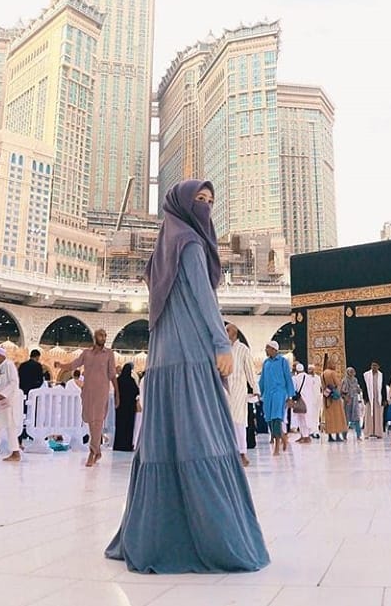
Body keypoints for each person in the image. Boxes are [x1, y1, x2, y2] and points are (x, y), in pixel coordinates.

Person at [105, 179, 269, 573]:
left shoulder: (163, 248)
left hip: (163, 360)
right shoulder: (191, 244)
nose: (206, 207)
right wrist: (221, 343)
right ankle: (216, 538)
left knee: (165, 444)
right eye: (200, 200)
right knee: (202, 436)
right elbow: (204, 299)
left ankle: (153, 537)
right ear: (182, 204)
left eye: (210, 201)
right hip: (191, 356)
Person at [55, 328, 119, 466]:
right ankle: (98, 451)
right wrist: (61, 365)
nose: (103, 338)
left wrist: (117, 394)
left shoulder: (109, 354)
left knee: (98, 421)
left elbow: (112, 375)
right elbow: (74, 364)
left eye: (105, 335)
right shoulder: (86, 354)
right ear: (95, 337)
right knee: (90, 421)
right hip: (88, 392)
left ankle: (92, 451)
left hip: (102, 392)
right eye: (101, 335)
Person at [225, 323, 259, 464]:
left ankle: (242, 453)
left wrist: (255, 389)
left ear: (234, 333)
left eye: (227, 330)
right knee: (226, 421)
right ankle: (229, 453)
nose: (225, 332)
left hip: (239, 390)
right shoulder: (223, 349)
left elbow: (250, 370)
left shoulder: (243, 349)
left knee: (239, 421)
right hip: (225, 390)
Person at [259, 339, 296, 456]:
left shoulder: (283, 361)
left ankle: (277, 447)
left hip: (279, 393)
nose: (266, 350)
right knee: (269, 419)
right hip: (268, 394)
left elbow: (288, 378)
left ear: (274, 349)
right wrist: (259, 392)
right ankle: (283, 436)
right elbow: (262, 380)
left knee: (276, 418)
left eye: (267, 348)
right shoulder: (266, 363)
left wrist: (290, 396)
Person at [113, 363, 140, 452]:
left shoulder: (118, 380)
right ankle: (127, 445)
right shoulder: (131, 381)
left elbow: (115, 392)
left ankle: (118, 445)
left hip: (120, 407)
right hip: (129, 409)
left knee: (120, 426)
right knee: (128, 427)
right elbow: (136, 392)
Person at [321, 360, 347, 442]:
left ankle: (330, 436)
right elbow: (338, 383)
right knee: (337, 416)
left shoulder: (323, 373)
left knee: (329, 417)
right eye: (334, 364)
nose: (335, 366)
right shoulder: (332, 373)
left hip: (326, 397)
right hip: (334, 398)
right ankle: (337, 435)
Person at [362, 361, 385, 438]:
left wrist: (384, 399)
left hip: (378, 399)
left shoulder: (381, 375)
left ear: (378, 367)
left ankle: (378, 433)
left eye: (375, 365)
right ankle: (368, 433)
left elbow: (383, 388)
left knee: (378, 416)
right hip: (369, 398)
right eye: (372, 365)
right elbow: (364, 387)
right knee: (368, 416)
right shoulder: (366, 375)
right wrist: (365, 398)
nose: (374, 367)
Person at [291, 363, 312, 444]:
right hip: (308, 400)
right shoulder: (309, 377)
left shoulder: (295, 378)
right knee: (307, 418)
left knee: (300, 419)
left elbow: (294, 389)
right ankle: (305, 436)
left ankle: (305, 436)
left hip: (300, 400)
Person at [340, 367, 363, 440]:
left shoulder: (355, 380)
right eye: (350, 371)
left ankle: (358, 435)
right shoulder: (344, 380)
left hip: (355, 401)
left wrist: (359, 390)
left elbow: (357, 389)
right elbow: (341, 392)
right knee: (346, 419)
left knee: (356, 418)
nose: (352, 373)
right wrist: (345, 397)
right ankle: (344, 436)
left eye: (353, 371)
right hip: (347, 402)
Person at [305, 364, 323, 439]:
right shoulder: (306, 378)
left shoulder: (318, 378)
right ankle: (311, 432)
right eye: (309, 369)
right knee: (310, 416)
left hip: (317, 399)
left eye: (312, 369)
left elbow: (321, 387)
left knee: (316, 416)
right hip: (309, 400)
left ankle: (316, 431)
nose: (311, 370)